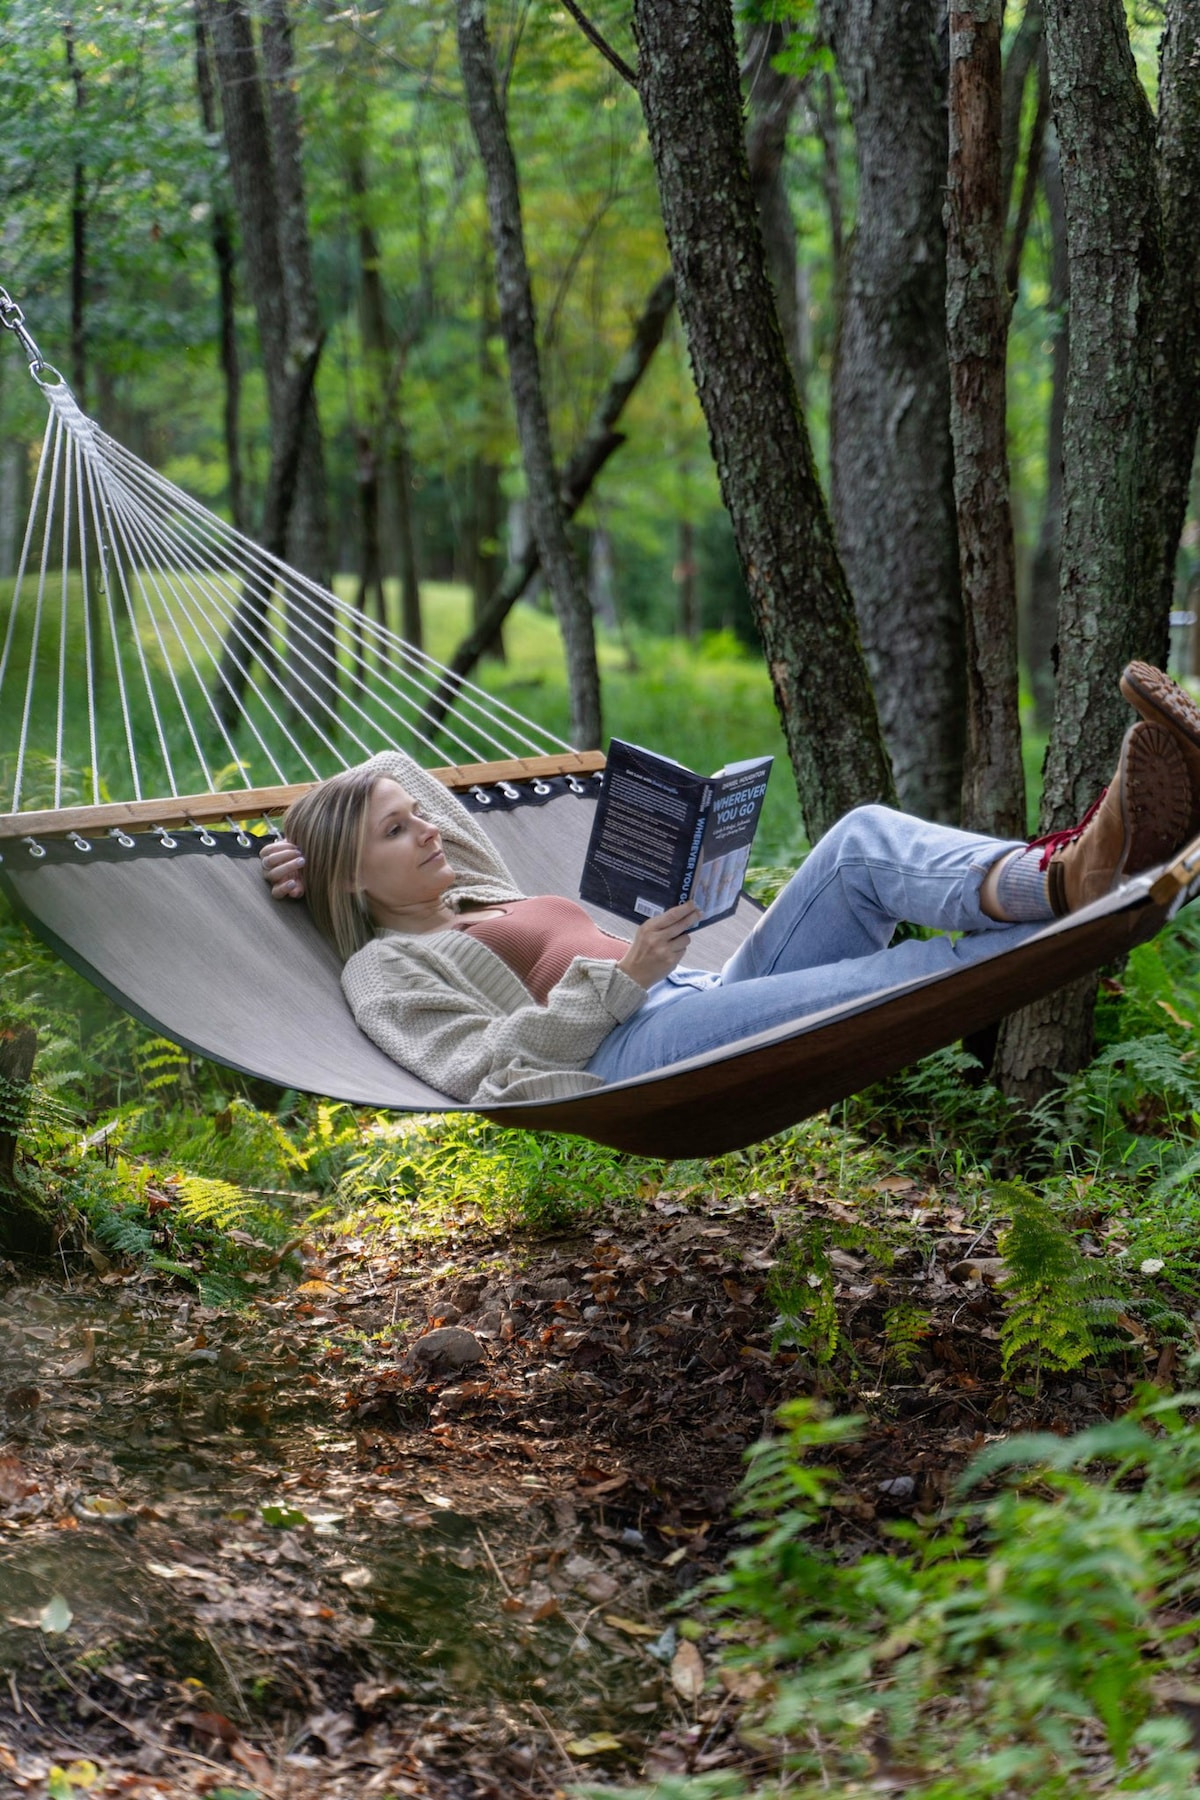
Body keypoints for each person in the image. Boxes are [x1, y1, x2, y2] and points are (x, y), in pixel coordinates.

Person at [259, 662, 1200, 1108]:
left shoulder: (467, 887)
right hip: (628, 1053)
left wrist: (312, 835)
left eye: (418, 817)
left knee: (861, 842)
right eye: (395, 830)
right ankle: (1093, 897)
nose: (429, 827)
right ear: (353, 874)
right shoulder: (386, 971)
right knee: (889, 983)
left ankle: (1070, 879)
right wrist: (622, 975)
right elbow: (485, 1073)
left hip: (694, 997)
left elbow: (394, 764)